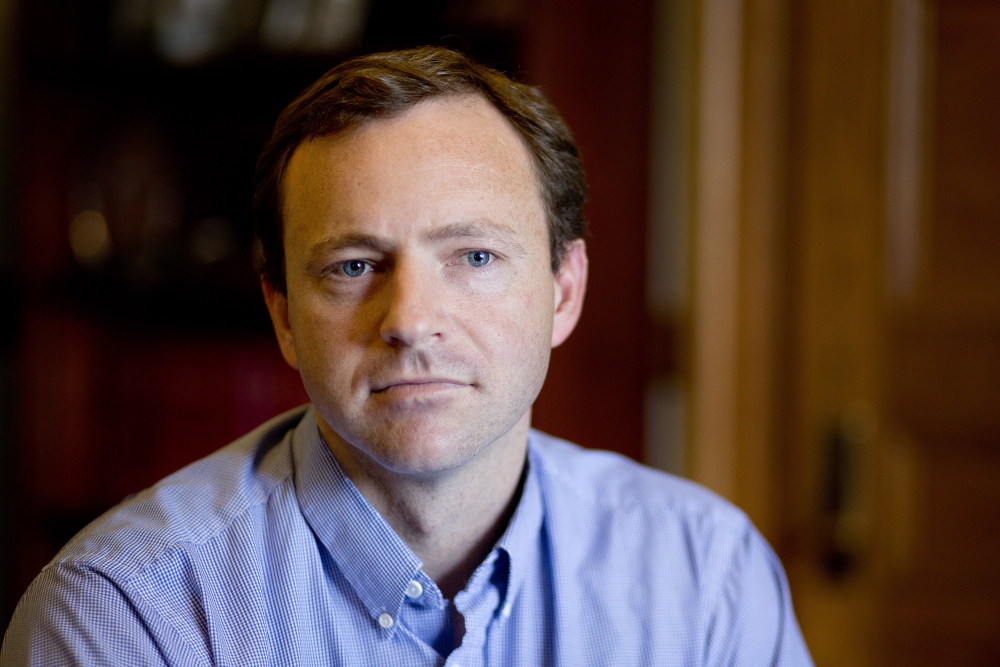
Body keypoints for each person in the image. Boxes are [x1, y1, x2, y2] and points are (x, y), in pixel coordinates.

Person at [2, 47, 812, 666]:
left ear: (564, 292)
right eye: (353, 266)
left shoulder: (710, 576)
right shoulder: (126, 616)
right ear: (282, 315)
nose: (412, 319)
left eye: (475, 257)